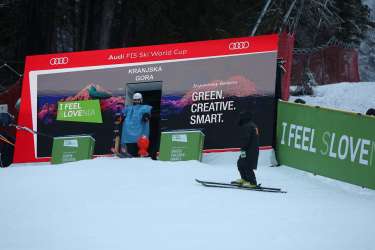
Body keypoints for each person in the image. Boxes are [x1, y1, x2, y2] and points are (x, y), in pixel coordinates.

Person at [231, 111, 259, 188]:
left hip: (249, 150)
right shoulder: (250, 125)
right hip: (248, 149)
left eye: (241, 117)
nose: (239, 119)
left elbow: (246, 139)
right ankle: (244, 179)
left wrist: (243, 148)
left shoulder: (248, 126)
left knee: (247, 165)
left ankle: (253, 182)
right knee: (240, 163)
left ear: (245, 118)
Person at [120, 93, 152, 157]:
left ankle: (142, 153)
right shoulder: (129, 108)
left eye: (138, 100)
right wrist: (121, 117)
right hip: (129, 128)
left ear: (141, 100)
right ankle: (126, 152)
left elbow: (148, 113)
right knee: (128, 141)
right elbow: (123, 113)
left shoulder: (145, 107)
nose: (136, 101)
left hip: (141, 128)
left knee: (141, 141)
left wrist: (146, 115)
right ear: (133, 100)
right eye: (135, 100)